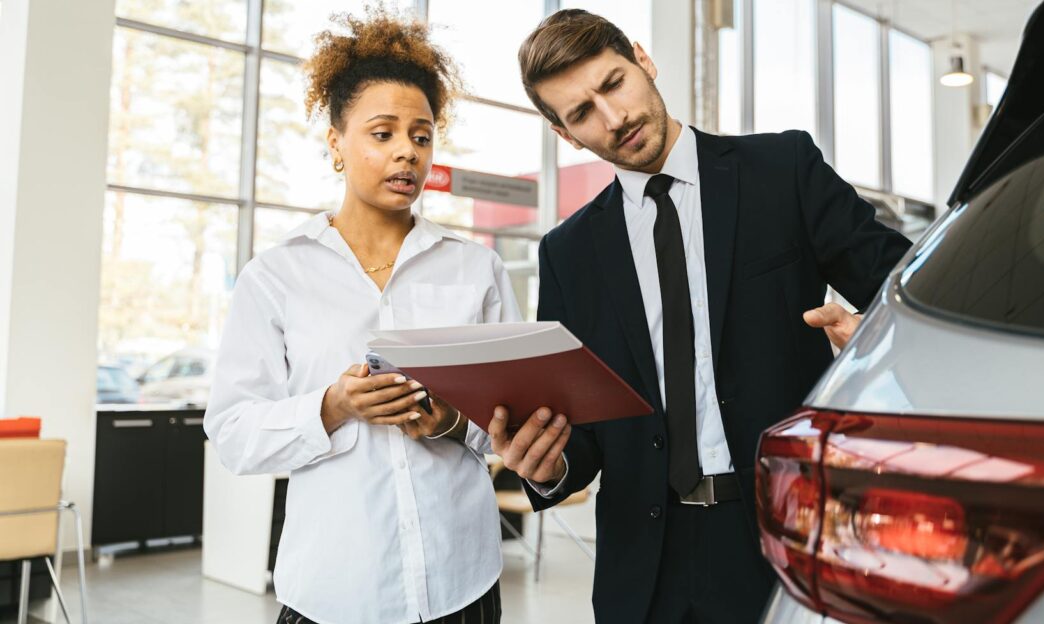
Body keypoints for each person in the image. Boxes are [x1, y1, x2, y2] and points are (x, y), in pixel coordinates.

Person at [487, 9, 913, 624]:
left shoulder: (783, 170)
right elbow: (581, 430)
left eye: (613, 84)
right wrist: (549, 465)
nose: (614, 118)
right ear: (565, 134)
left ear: (643, 60)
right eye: (582, 113)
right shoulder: (567, 252)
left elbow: (908, 290)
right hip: (644, 571)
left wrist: (873, 346)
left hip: (787, 536)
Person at [204, 11, 512, 624]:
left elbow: (509, 416)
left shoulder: (476, 268)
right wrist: (332, 406)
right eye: (382, 133)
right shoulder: (276, 276)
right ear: (336, 144)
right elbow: (233, 433)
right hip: (335, 588)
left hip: (462, 580)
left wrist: (452, 422)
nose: (406, 151)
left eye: (421, 136)